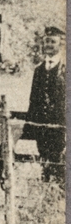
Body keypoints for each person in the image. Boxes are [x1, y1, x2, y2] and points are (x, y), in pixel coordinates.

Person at [24, 26, 66, 184]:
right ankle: (47, 187)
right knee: (44, 157)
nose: (48, 45)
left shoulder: (65, 68)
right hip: (42, 124)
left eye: (53, 42)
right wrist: (30, 123)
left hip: (61, 125)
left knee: (60, 158)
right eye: (46, 41)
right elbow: (33, 98)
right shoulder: (39, 70)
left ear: (61, 45)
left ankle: (60, 192)